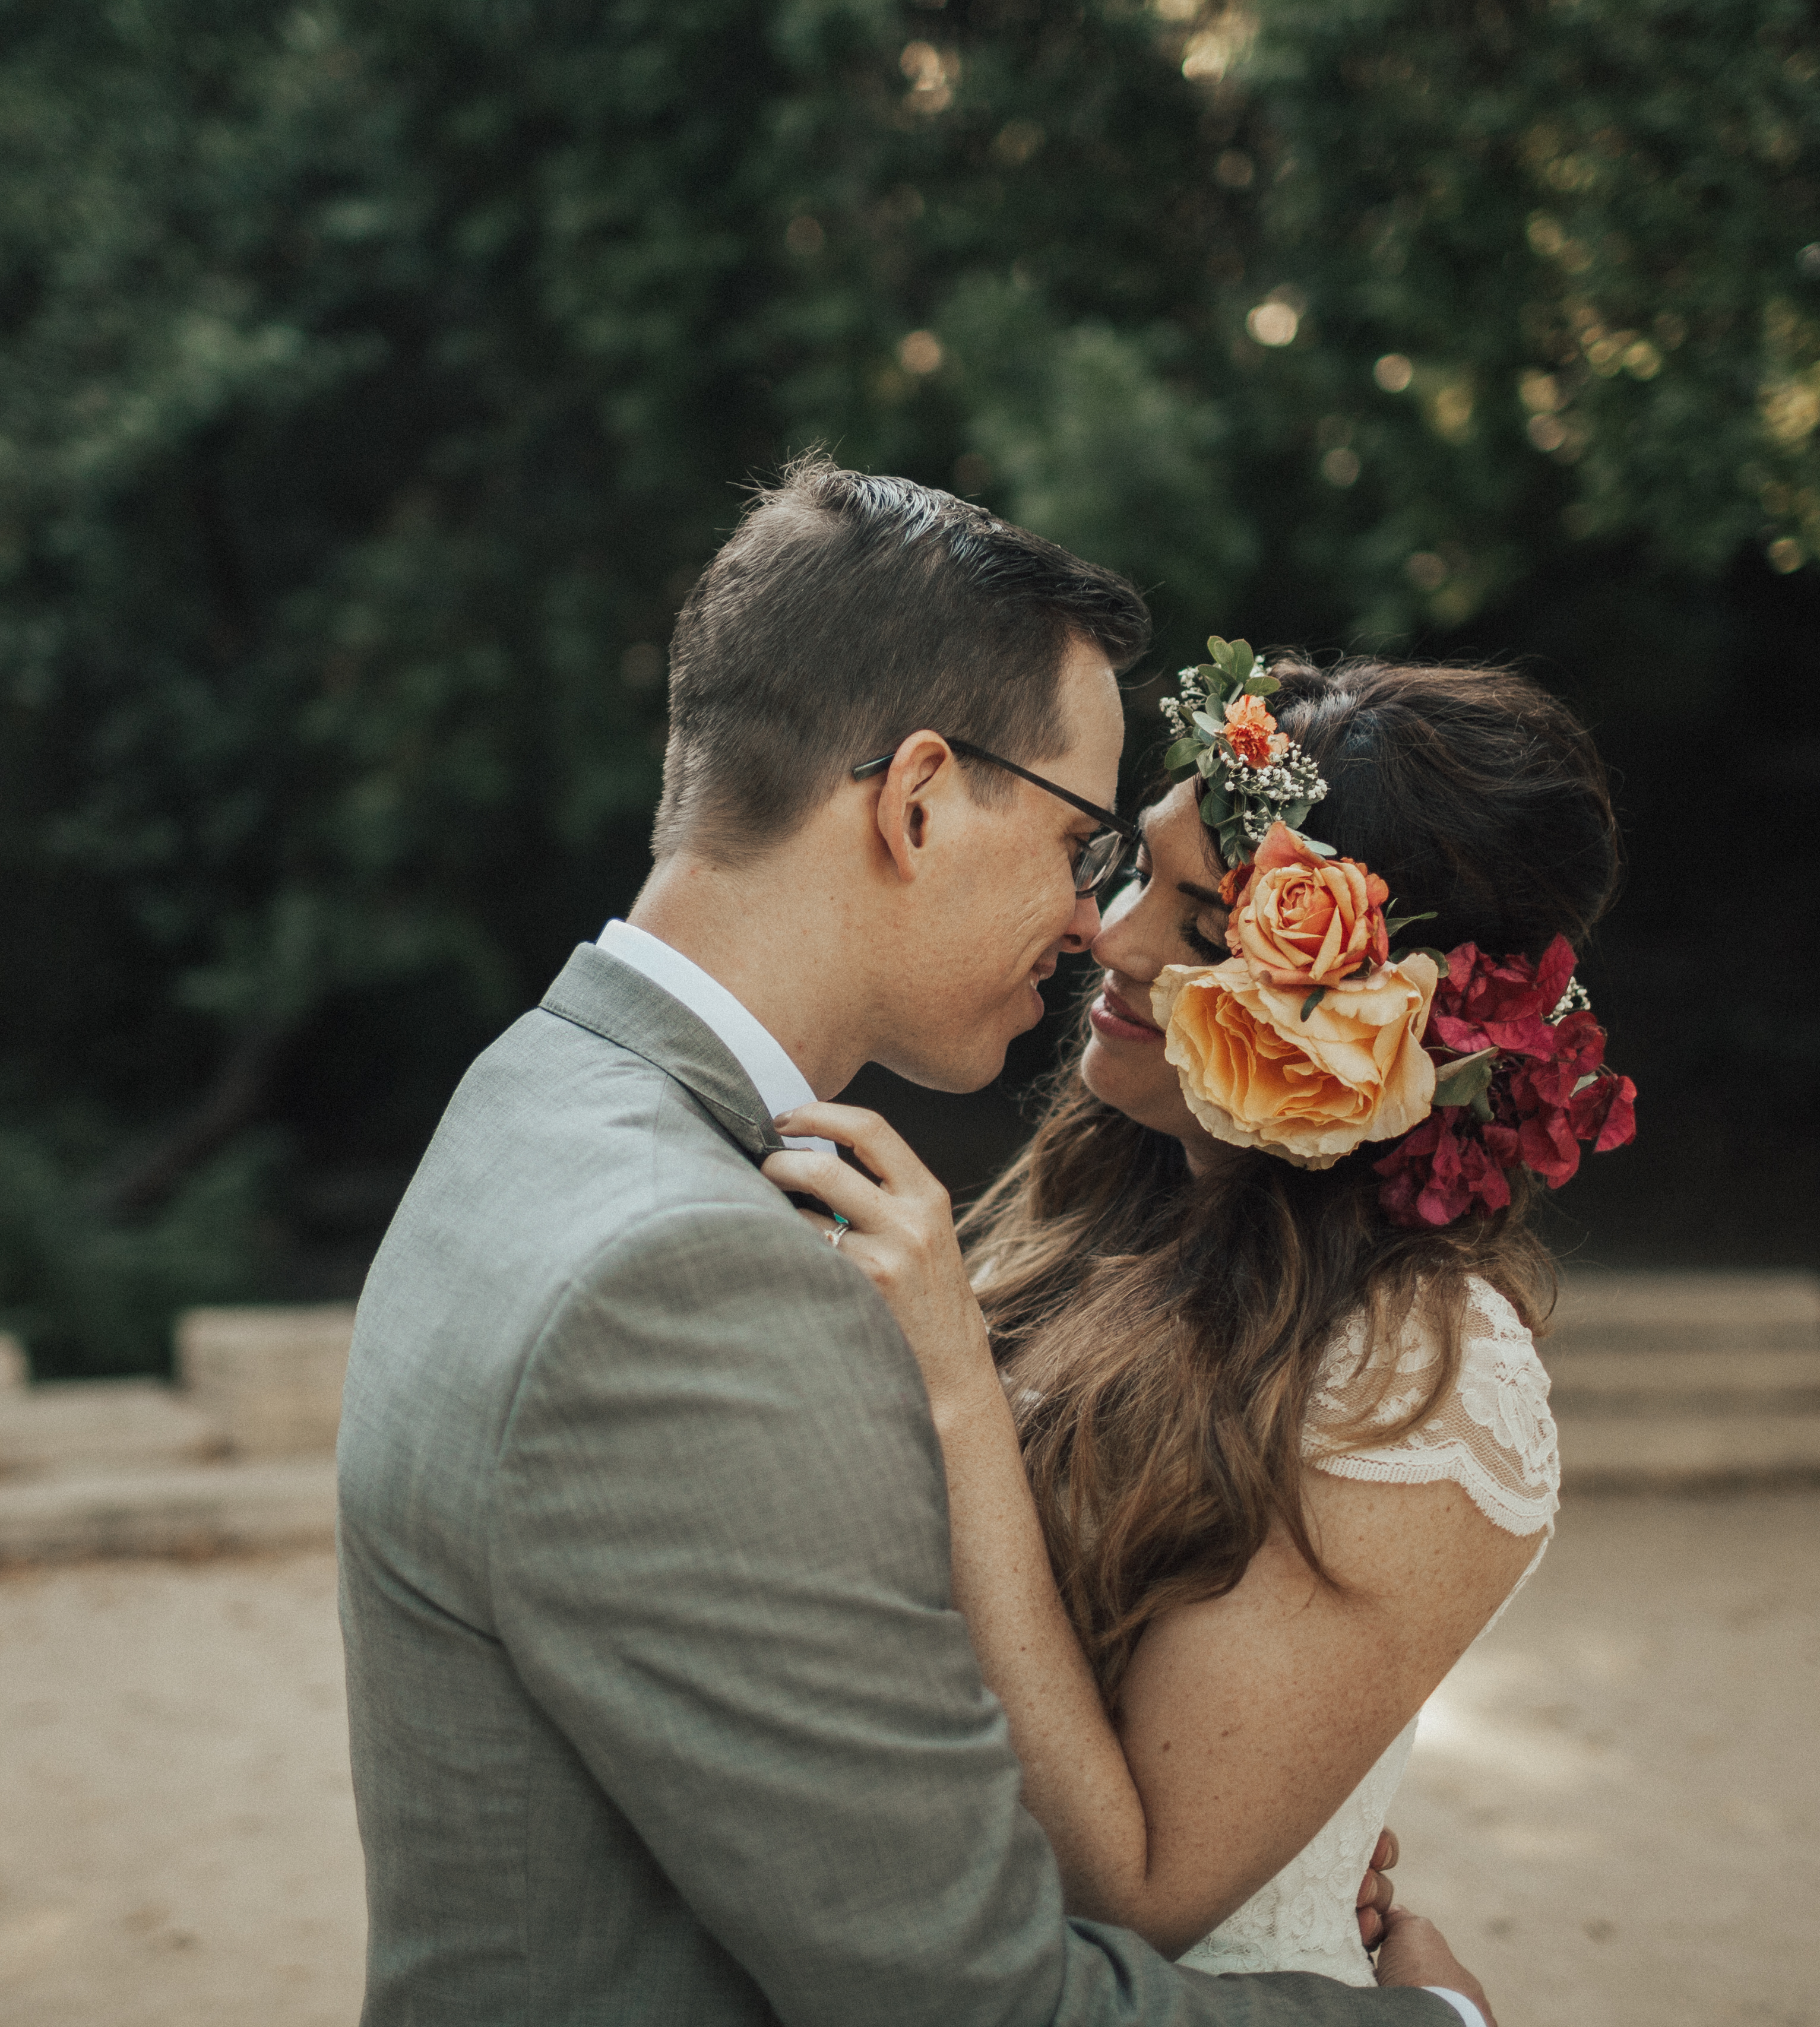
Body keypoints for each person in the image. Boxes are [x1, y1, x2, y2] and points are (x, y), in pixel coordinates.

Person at [335, 457, 1501, 2023]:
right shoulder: (686, 1280)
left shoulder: (533, 1094)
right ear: (918, 798)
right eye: (1088, 843)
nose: (1097, 924)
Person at [765, 650, 1634, 1984]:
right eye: (1135, 871)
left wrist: (951, 1377)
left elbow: (1139, 1893)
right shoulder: (1114, 1190)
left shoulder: (1424, 1373)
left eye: (1203, 923)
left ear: (1368, 1011)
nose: (1107, 933)